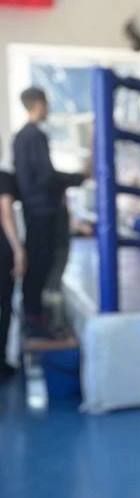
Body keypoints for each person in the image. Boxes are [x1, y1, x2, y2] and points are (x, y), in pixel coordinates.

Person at [12, 87, 87, 339]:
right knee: (45, 265)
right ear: (38, 104)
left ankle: (33, 319)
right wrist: (78, 178)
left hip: (33, 210)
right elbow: (46, 177)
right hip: (44, 211)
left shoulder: (20, 137)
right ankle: (39, 321)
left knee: (37, 264)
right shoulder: (35, 136)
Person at [0, 156, 25, 381]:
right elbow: (6, 214)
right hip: (2, 250)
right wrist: (18, 249)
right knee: (4, 305)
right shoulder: (4, 178)